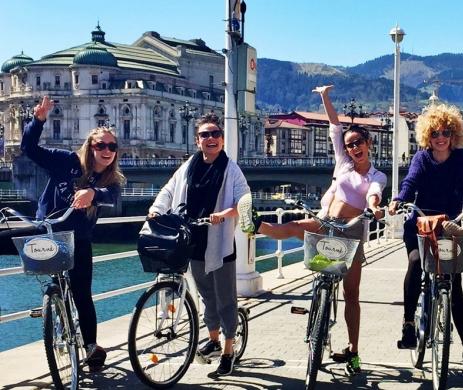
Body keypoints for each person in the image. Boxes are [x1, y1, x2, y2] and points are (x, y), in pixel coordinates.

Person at [245, 85, 386, 374]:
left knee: (352, 295)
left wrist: (375, 206)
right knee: (296, 226)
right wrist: (325, 97)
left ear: (368, 143)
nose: (354, 147)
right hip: (327, 223)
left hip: (352, 233)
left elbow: (374, 192)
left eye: (358, 142)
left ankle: (354, 352)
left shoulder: (377, 175)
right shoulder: (343, 165)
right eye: (350, 145)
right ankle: (255, 224)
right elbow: (335, 127)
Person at [19, 96, 124, 372]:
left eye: (112, 146)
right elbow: (29, 149)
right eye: (101, 144)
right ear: (90, 146)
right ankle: (52, 305)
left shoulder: (111, 180)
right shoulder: (66, 162)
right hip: (50, 232)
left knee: (82, 293)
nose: (107, 150)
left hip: (79, 241)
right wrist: (38, 120)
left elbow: (112, 196)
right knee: (52, 283)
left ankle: (91, 346)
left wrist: (93, 193)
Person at [389, 103, 463, 376]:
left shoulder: (460, 158)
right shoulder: (422, 158)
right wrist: (400, 199)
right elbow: (410, 182)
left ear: (454, 134)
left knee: (454, 285)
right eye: (435, 132)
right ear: (427, 135)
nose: (440, 137)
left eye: (446, 132)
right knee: (415, 263)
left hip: (449, 227)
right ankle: (409, 323)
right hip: (421, 227)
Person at [148, 113, 250, 377]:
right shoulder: (188, 166)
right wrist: (156, 210)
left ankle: (228, 352)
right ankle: (214, 340)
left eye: (215, 133)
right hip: (193, 239)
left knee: (226, 298)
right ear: (197, 141)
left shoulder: (231, 169)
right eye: (205, 134)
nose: (211, 138)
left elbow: (244, 199)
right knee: (206, 295)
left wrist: (225, 214)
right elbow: (169, 190)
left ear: (222, 139)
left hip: (220, 241)